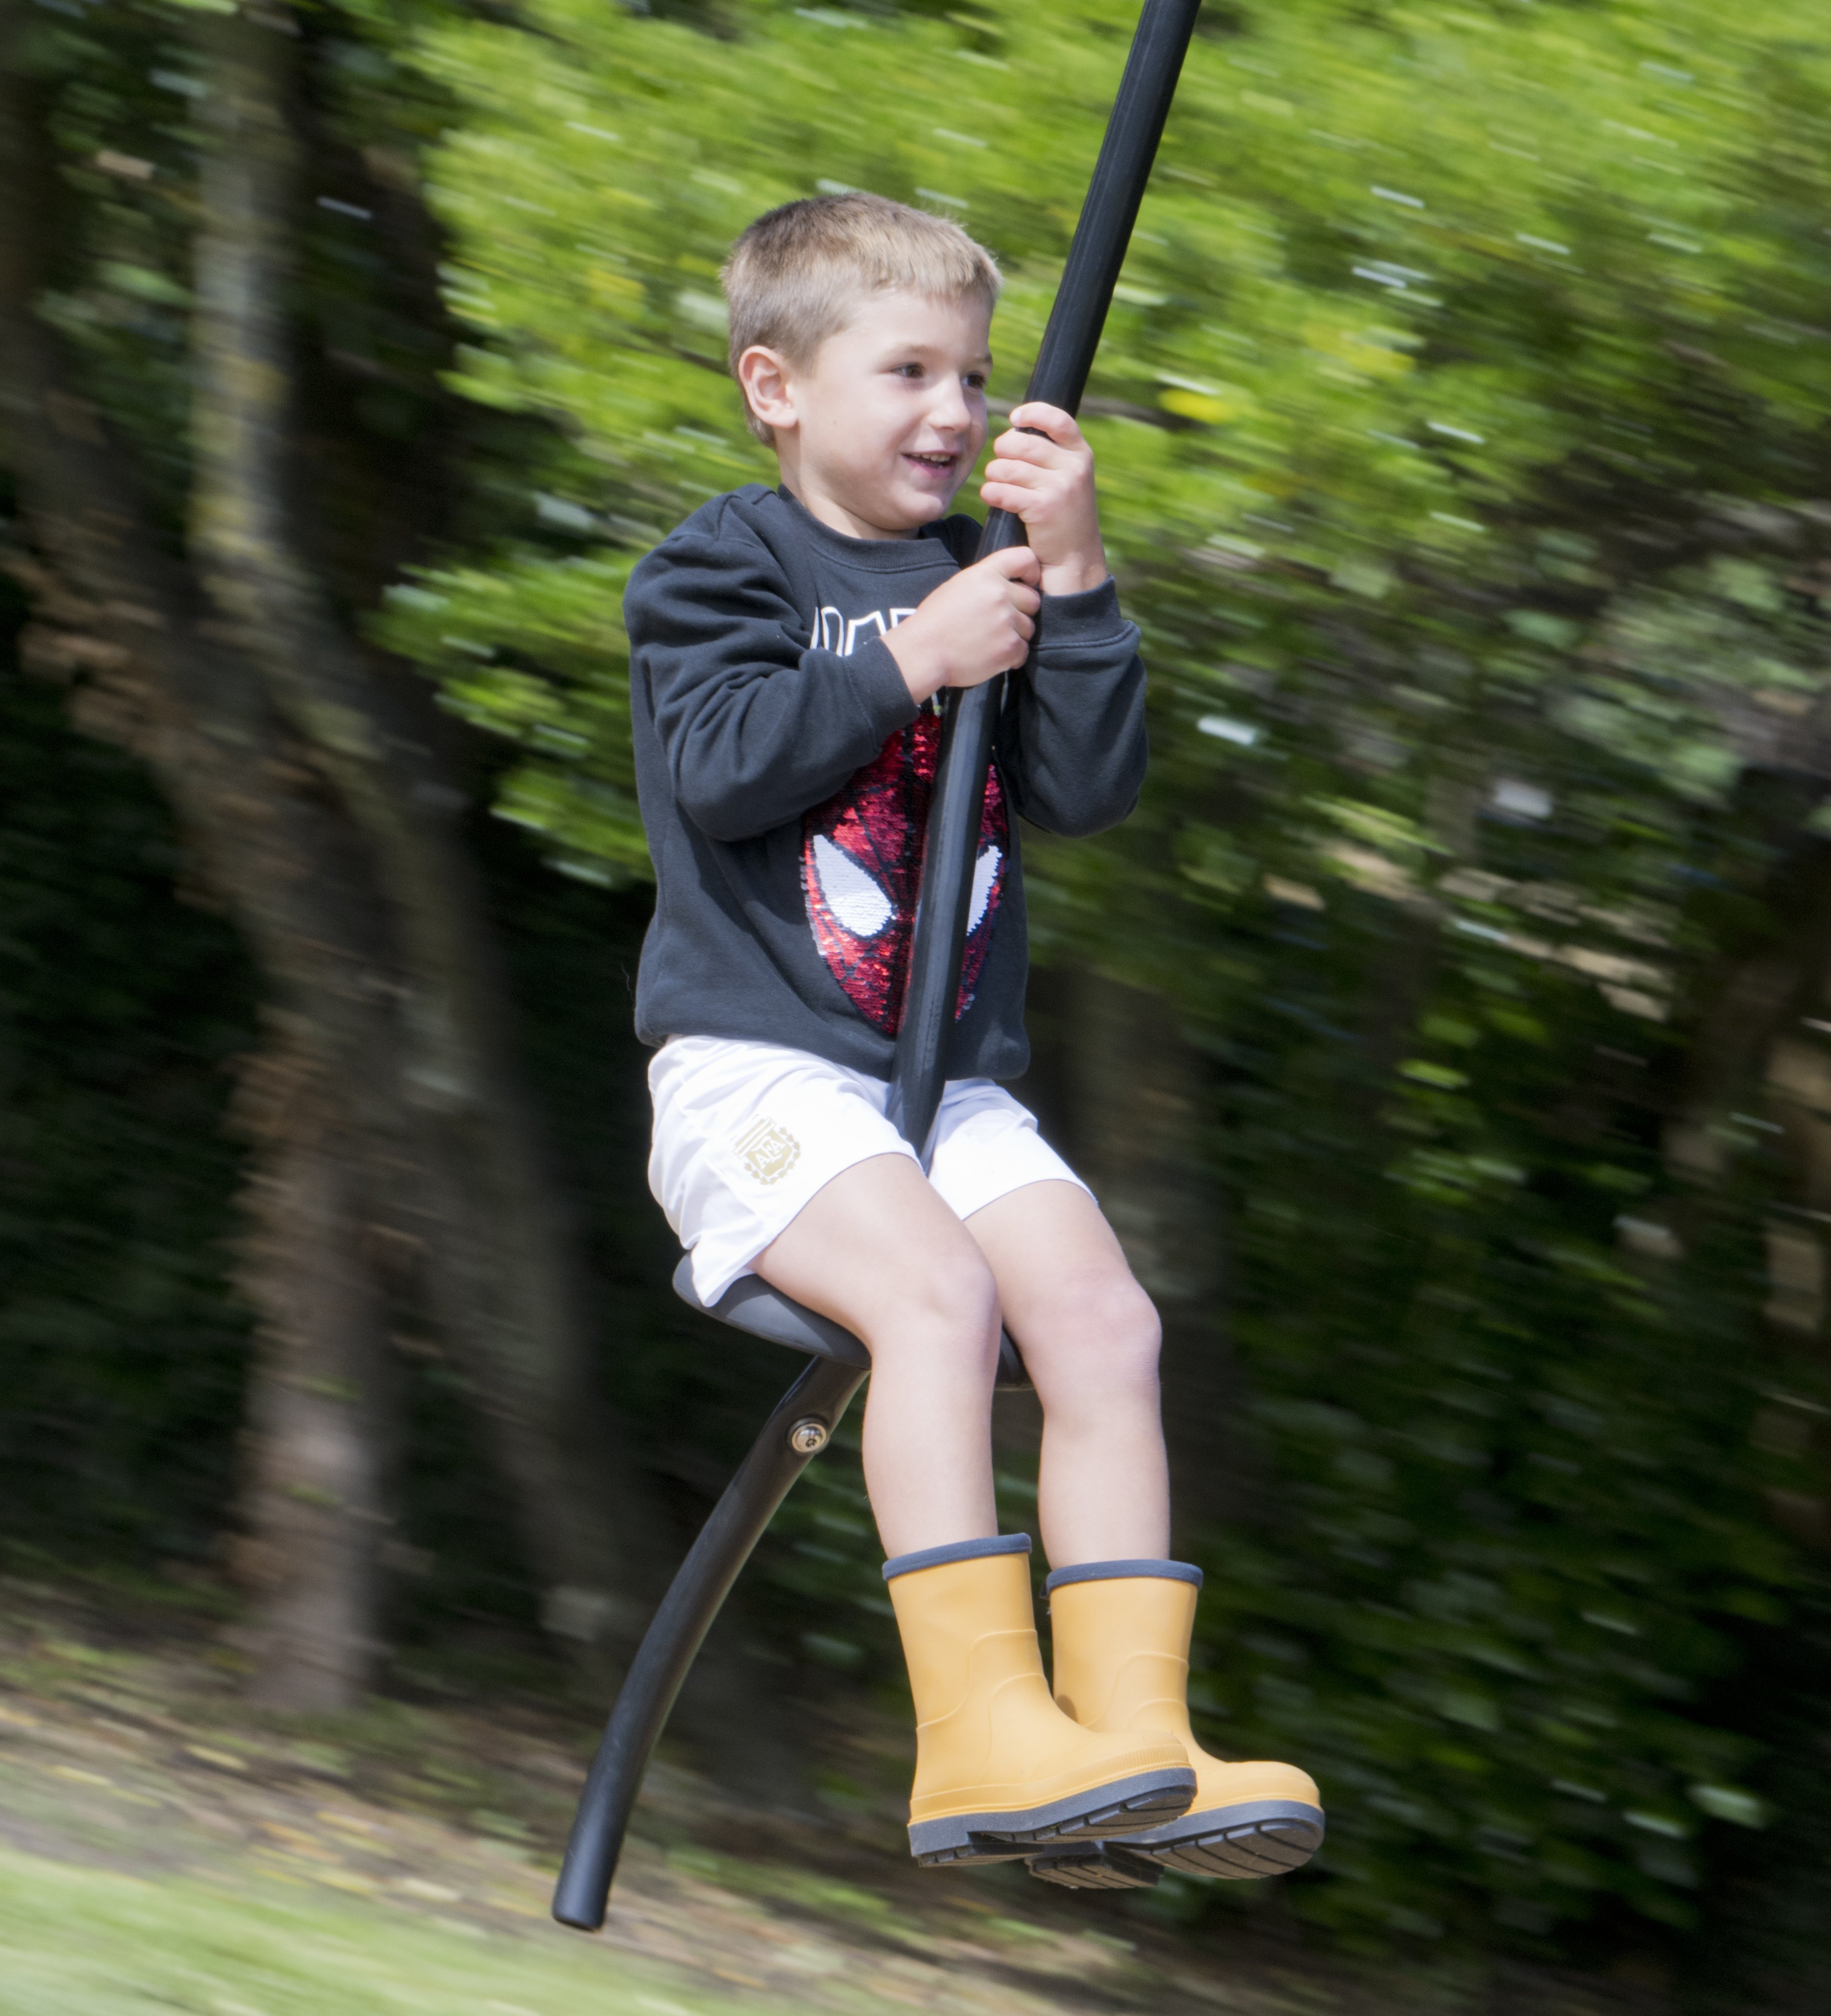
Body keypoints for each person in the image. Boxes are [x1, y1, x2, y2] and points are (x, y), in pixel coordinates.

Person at [626, 191, 1322, 1883]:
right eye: (909, 370)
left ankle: (1126, 1735)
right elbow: (717, 771)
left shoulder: (991, 571)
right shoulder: (723, 564)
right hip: (762, 1071)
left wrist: (1074, 580)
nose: (953, 412)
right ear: (775, 386)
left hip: (943, 1091)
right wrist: (909, 666)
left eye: (976, 375)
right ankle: (975, 1734)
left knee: (1100, 1317)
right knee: (935, 1300)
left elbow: (1082, 791)